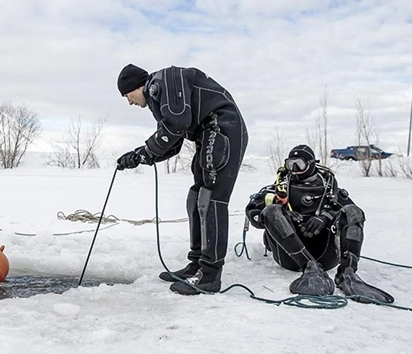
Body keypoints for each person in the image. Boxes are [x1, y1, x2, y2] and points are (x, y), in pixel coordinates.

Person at [116, 63, 248, 295]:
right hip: (208, 132)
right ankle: (197, 263)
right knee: (195, 197)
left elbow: (177, 124)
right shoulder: (158, 98)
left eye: (128, 95)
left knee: (212, 197)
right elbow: (173, 142)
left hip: (224, 127)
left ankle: (210, 275)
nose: (129, 102)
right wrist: (139, 156)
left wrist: (146, 150)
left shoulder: (165, 81)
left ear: (137, 86)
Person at [245, 145, 394, 303]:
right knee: (272, 210)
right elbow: (254, 214)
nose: (294, 169)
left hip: (326, 255)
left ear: (311, 164)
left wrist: (326, 217)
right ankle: (309, 267)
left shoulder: (329, 190)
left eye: (299, 164)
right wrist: (283, 217)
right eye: (290, 164)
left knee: (353, 211)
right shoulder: (280, 188)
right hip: (289, 257)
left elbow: (354, 215)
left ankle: (347, 272)